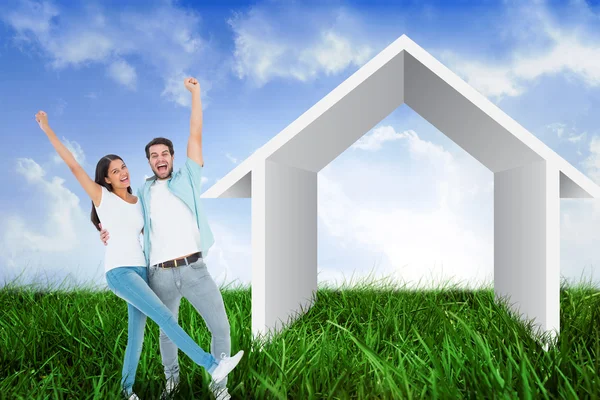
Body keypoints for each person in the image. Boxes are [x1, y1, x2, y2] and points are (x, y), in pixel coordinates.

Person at [34, 107, 243, 400]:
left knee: (143, 335)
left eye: (123, 167)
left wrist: (100, 229)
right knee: (166, 324)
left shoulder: (151, 193)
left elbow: (151, 225)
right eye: (115, 171)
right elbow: (76, 171)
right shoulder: (120, 195)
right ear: (106, 179)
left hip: (162, 270)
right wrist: (47, 129)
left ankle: (133, 390)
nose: (122, 172)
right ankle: (197, 372)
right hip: (136, 272)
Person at [100, 77, 236, 400]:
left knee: (221, 327)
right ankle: (171, 383)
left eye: (165, 153)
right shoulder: (143, 191)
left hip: (193, 269)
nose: (159, 159)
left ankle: (220, 387)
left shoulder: (189, 176)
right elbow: (116, 208)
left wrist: (196, 94)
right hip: (158, 273)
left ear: (173, 157)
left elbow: (196, 132)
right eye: (153, 155)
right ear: (148, 162)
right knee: (166, 334)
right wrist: (105, 230)